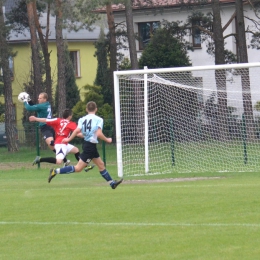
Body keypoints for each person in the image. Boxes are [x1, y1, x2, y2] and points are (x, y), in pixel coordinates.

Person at [48, 101, 123, 190]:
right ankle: (55, 171)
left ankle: (112, 183)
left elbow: (76, 131)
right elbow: (99, 134)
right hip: (90, 147)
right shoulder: (99, 119)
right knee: (78, 168)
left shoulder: (82, 119)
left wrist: (68, 139)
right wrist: (107, 139)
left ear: (86, 109)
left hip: (89, 145)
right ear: (96, 109)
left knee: (101, 165)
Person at [28, 108, 95, 172]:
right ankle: (40, 159)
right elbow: (78, 134)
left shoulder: (58, 120)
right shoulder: (71, 124)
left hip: (62, 143)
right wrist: (88, 136)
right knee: (58, 161)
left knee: (76, 150)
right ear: (70, 116)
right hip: (61, 144)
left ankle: (85, 166)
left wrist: (35, 118)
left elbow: (46, 120)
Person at [23, 92, 70, 166]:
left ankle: (66, 149)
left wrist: (24, 101)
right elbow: (35, 106)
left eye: (40, 98)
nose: (38, 99)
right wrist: (29, 100)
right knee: (52, 146)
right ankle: (65, 160)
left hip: (46, 127)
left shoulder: (42, 106)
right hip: (50, 126)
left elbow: (29, 108)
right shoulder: (46, 104)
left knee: (51, 143)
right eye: (38, 98)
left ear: (45, 99)